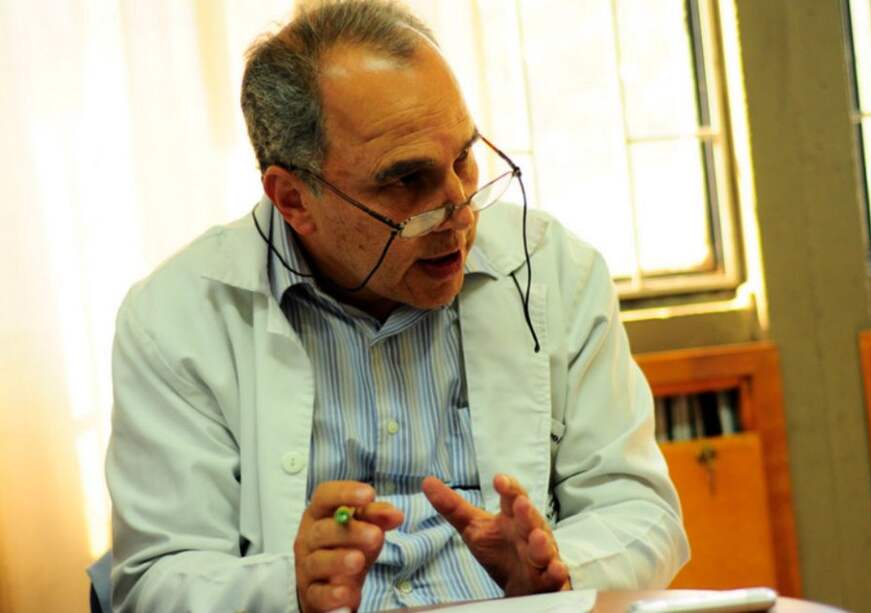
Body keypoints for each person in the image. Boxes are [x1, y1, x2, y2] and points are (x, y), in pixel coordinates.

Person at [105, 1, 689, 612]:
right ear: (294, 199)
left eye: (463, 159)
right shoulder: (175, 319)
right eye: (406, 180)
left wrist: (560, 571)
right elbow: (153, 583)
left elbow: (639, 508)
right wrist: (288, 587)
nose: (460, 211)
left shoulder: (554, 270)